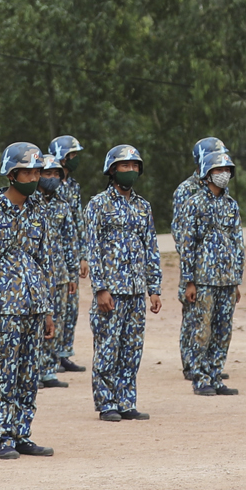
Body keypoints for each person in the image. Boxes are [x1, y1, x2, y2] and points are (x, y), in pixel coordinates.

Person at [0, 143, 58, 459]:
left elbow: (44, 263)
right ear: (12, 174)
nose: (35, 177)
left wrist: (48, 311)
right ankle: (1, 438)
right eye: (28, 172)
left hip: (33, 307)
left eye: (38, 172)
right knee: (3, 376)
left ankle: (22, 434)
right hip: (4, 309)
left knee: (28, 376)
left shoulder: (40, 211)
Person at [85, 145, 162, 421]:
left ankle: (126, 401)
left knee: (131, 349)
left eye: (134, 166)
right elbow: (92, 249)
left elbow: (151, 248)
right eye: (124, 166)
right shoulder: (98, 205)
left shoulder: (143, 207)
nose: (130, 171)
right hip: (111, 291)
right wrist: (100, 288)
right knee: (107, 348)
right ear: (112, 170)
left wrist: (154, 289)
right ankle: (106, 403)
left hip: (135, 292)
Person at [174, 147, 244, 396]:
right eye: (218, 170)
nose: (223, 174)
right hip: (203, 280)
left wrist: (237, 280)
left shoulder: (231, 205)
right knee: (202, 331)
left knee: (223, 331)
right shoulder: (194, 203)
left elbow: (238, 243)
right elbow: (187, 244)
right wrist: (189, 280)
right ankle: (200, 377)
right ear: (206, 173)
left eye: (226, 170)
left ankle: (216, 376)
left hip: (227, 280)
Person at [174, 136, 224, 380]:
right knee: (193, 319)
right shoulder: (186, 190)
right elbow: (180, 232)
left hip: (219, 272)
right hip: (195, 266)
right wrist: (190, 268)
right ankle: (191, 364)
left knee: (213, 319)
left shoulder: (220, 190)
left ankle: (208, 365)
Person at [48, 135, 89, 375]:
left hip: (70, 254)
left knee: (70, 307)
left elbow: (78, 221)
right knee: (53, 308)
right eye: (72, 155)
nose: (75, 159)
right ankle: (48, 357)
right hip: (51, 255)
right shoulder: (45, 180)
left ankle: (64, 353)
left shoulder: (73, 185)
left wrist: (82, 254)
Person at [34, 152, 74, 389]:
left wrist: (70, 272)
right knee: (36, 322)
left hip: (58, 273)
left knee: (55, 322)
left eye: (55, 174)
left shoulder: (62, 204)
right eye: (47, 174)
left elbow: (70, 240)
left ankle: (49, 369)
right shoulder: (28, 201)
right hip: (34, 274)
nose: (52, 178)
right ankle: (34, 370)